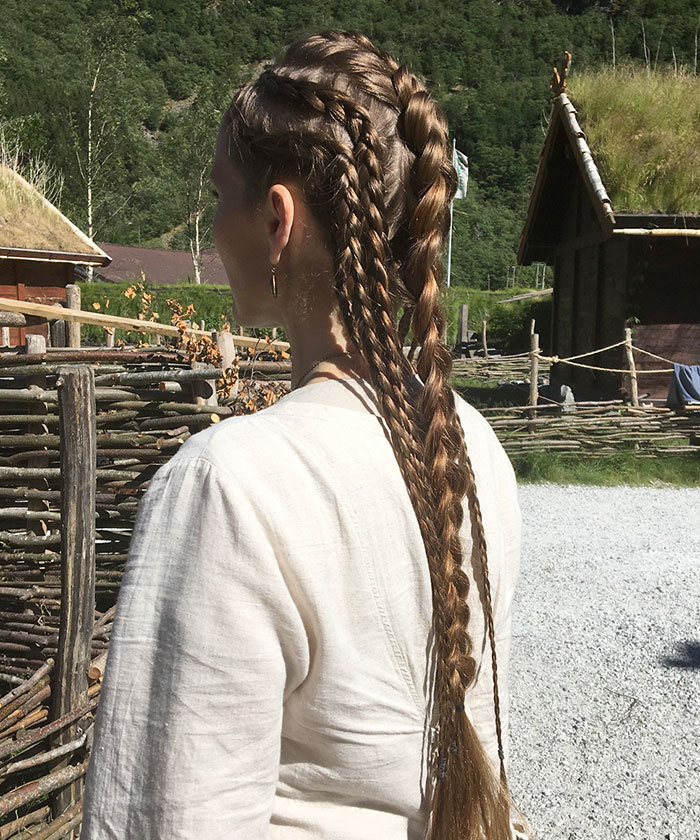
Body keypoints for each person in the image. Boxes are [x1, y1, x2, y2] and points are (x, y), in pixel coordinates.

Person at [81, 30, 523, 840]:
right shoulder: (470, 443)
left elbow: (162, 819)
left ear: (277, 219)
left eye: (222, 194)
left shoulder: (231, 485)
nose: (215, 227)